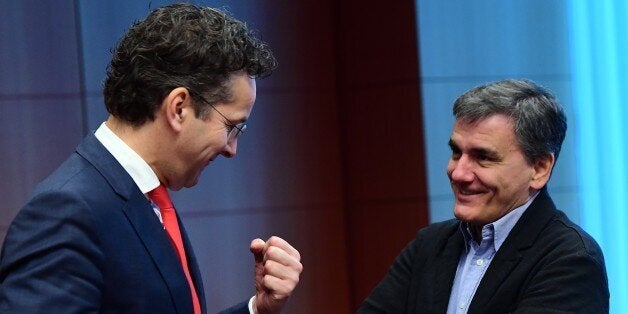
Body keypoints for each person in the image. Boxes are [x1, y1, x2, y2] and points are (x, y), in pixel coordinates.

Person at [0, 3, 302, 314]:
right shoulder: (65, 213)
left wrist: (257, 309)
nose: (231, 149)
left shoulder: (144, 198)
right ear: (179, 108)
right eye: (231, 127)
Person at [359, 79, 609, 313]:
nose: (458, 173)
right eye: (457, 153)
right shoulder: (429, 246)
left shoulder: (570, 259)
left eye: (483, 157)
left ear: (539, 168)